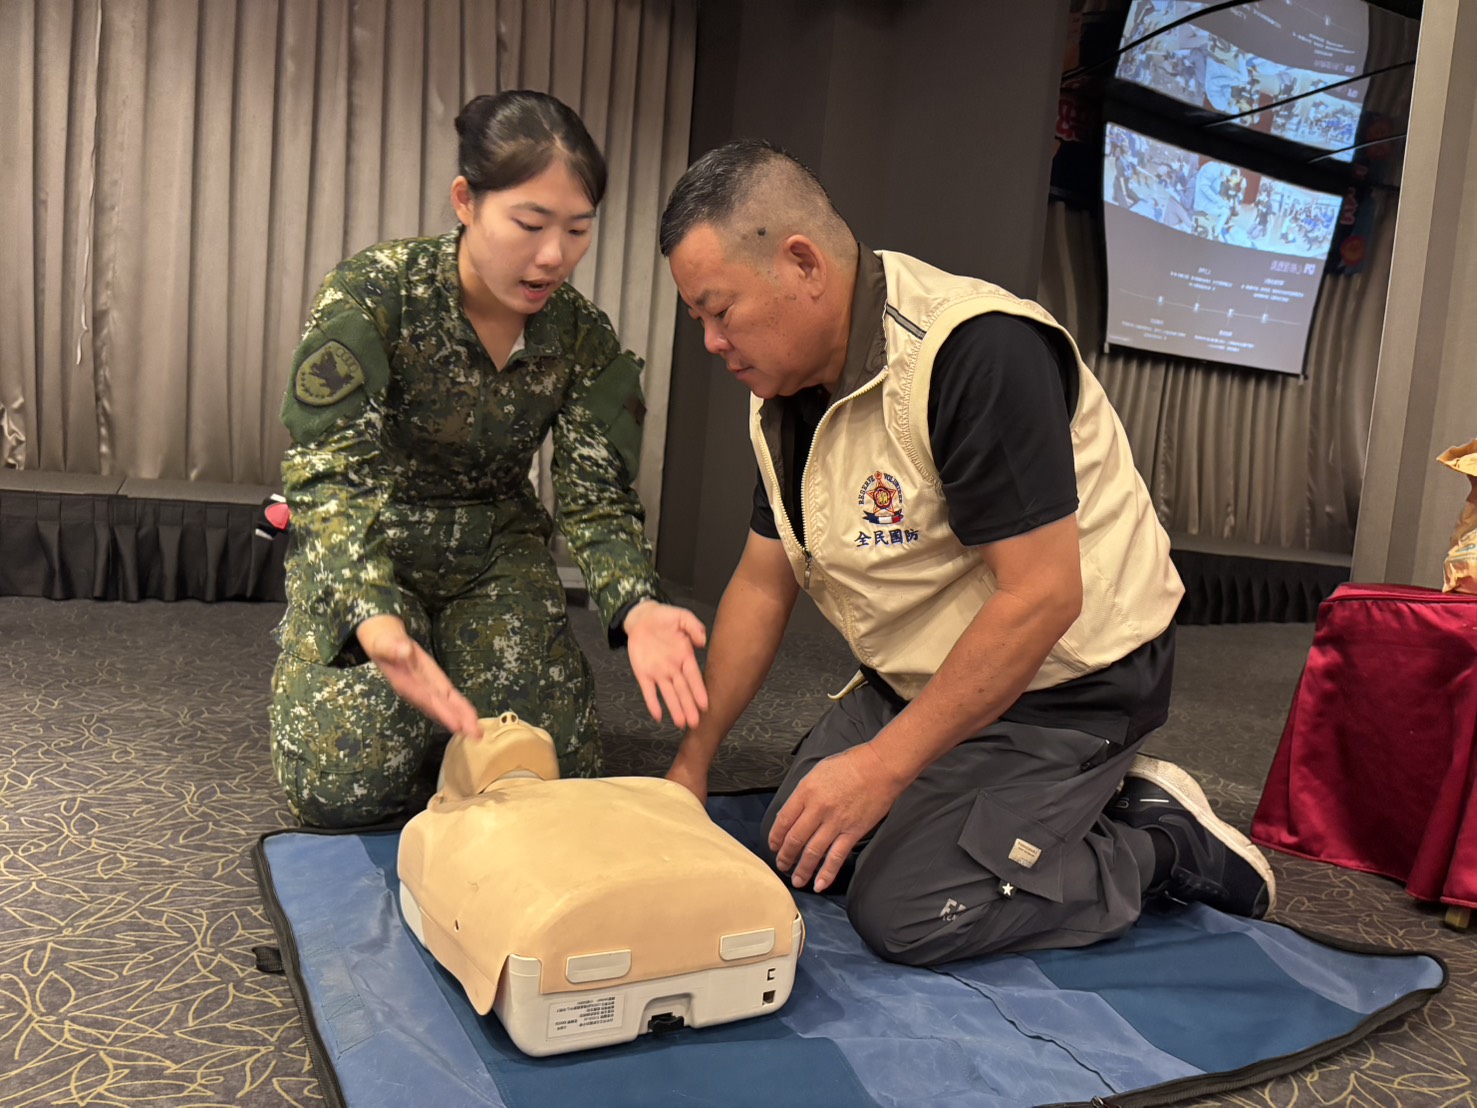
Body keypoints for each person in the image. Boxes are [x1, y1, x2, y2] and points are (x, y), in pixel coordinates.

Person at [657, 140, 1275, 967]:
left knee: (909, 911)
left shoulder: (974, 352)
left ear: (801, 263)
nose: (709, 341)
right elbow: (763, 584)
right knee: (795, 838)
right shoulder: (783, 398)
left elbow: (1042, 598)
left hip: (1069, 682)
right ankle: (1025, 809)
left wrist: (881, 767)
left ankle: (1161, 843)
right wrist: (689, 767)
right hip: (925, 670)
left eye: (717, 309)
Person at [270, 90, 707, 829]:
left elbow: (595, 493)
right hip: (376, 539)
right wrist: (373, 618)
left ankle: (446, 680)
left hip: (493, 548)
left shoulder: (580, 336)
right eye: (530, 224)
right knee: (341, 792)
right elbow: (327, 467)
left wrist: (634, 602)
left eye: (577, 230)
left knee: (557, 771)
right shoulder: (379, 293)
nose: (552, 257)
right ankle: (330, 653)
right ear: (466, 201)